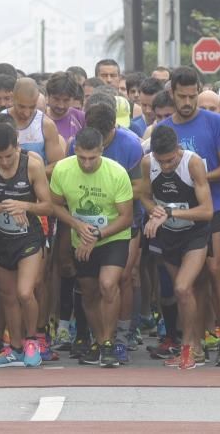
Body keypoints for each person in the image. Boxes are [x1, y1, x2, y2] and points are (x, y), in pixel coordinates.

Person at [159, 67, 220, 365]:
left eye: (193, 96)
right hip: (181, 214)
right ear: (172, 94)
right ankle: (196, 341)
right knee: (191, 280)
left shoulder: (215, 122)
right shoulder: (164, 129)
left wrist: (196, 179)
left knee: (216, 269)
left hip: (215, 205)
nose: (188, 102)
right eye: (182, 96)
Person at [0, 118, 53, 368]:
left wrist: (25, 205)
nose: (5, 162)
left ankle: (32, 341)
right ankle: (15, 347)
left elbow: (48, 206)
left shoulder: (33, 165)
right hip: (0, 237)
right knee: (7, 296)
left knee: (25, 292)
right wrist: (6, 207)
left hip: (28, 237)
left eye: (8, 156)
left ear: (17, 146)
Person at [50, 127, 134, 368]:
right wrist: (76, 225)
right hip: (81, 237)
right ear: (75, 150)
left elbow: (126, 217)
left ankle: (109, 342)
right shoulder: (62, 169)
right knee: (88, 291)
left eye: (92, 158)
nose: (86, 164)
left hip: (112, 236)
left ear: (102, 151)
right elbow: (55, 205)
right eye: (82, 158)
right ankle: (98, 341)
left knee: (108, 284)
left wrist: (98, 234)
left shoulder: (117, 173)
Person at [138, 125, 214, 369]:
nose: (166, 166)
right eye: (161, 162)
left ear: (178, 149)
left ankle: (188, 348)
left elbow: (207, 210)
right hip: (168, 235)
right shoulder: (148, 163)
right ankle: (196, 347)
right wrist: (154, 212)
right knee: (183, 294)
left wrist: (170, 212)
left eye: (170, 160)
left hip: (194, 234)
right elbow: (144, 196)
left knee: (182, 287)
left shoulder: (192, 163)